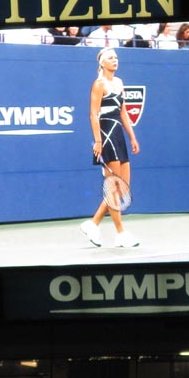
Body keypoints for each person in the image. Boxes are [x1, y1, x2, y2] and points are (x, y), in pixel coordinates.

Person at [80, 47, 141, 248]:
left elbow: (123, 113)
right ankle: (121, 233)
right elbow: (93, 114)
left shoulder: (120, 83)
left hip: (119, 136)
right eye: (110, 58)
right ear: (102, 63)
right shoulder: (98, 84)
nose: (115, 61)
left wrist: (132, 137)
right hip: (106, 136)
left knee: (122, 189)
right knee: (113, 187)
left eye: (116, 57)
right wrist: (98, 141)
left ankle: (93, 223)